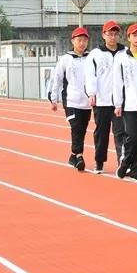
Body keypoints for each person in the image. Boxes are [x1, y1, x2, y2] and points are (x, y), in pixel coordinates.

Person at [49, 26, 92, 172]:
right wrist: (53, 99)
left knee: (82, 129)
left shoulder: (91, 58)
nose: (82, 43)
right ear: (73, 41)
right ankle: (79, 155)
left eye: (85, 40)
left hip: (86, 102)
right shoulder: (65, 59)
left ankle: (73, 156)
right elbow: (57, 79)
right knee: (76, 126)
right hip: (71, 100)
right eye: (79, 40)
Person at [85, 20, 124, 174]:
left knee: (121, 133)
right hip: (102, 100)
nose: (113, 37)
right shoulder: (95, 54)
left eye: (115, 34)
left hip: (120, 101)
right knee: (102, 133)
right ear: (103, 35)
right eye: (110, 34)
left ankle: (122, 161)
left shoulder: (125, 52)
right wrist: (91, 93)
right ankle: (99, 161)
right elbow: (90, 76)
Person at [113, 23, 137, 182]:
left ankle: (134, 170)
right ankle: (128, 163)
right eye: (134, 35)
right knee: (133, 137)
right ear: (128, 38)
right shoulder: (121, 58)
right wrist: (118, 104)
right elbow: (117, 82)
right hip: (130, 105)